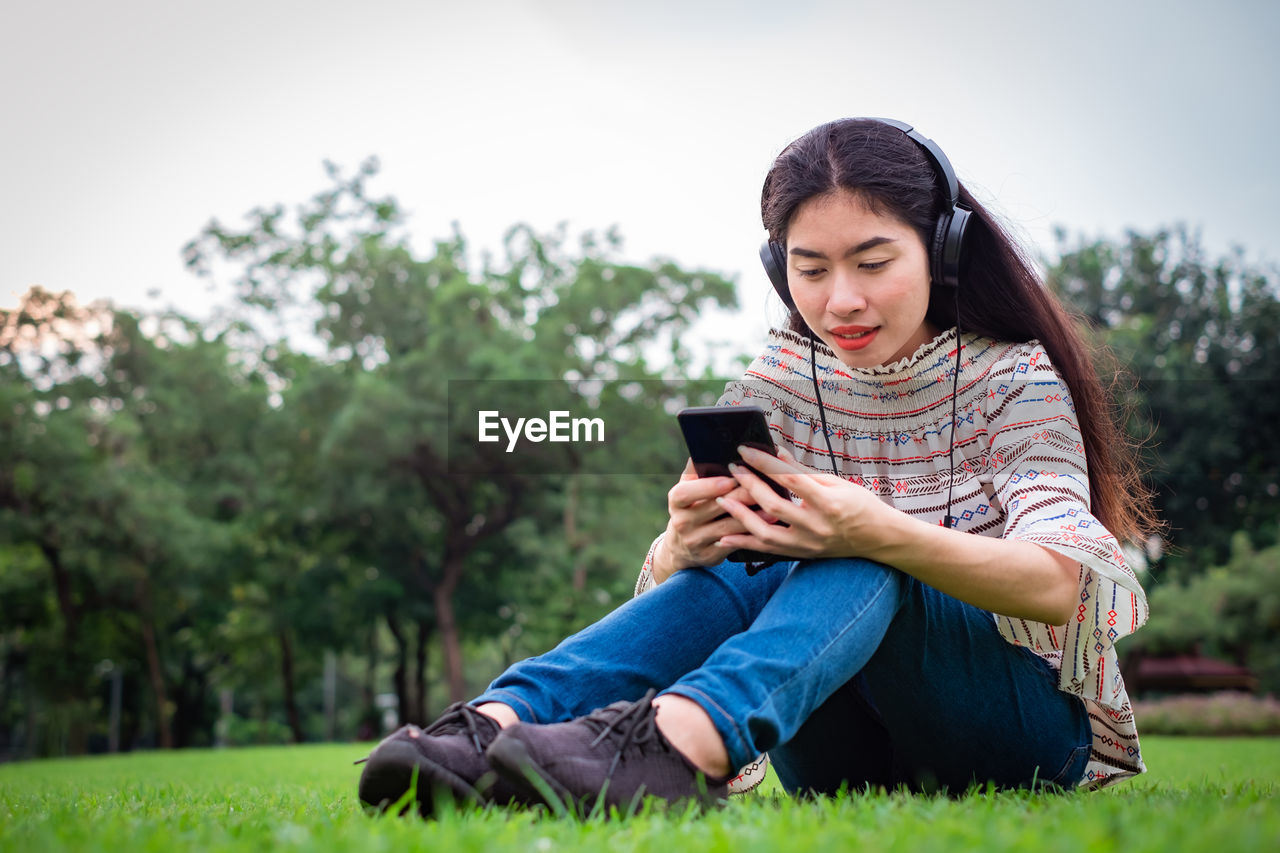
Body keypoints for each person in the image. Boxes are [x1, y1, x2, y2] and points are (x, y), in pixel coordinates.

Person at [356, 117, 1158, 816]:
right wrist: (682, 545)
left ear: (941, 250)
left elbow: (1064, 583)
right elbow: (708, 591)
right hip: (835, 751)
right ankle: (493, 727)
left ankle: (676, 741)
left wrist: (878, 528)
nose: (840, 298)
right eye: (811, 270)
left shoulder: (1012, 379)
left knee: (862, 543)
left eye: (872, 262)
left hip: (1010, 732)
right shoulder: (777, 384)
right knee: (763, 542)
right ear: (782, 270)